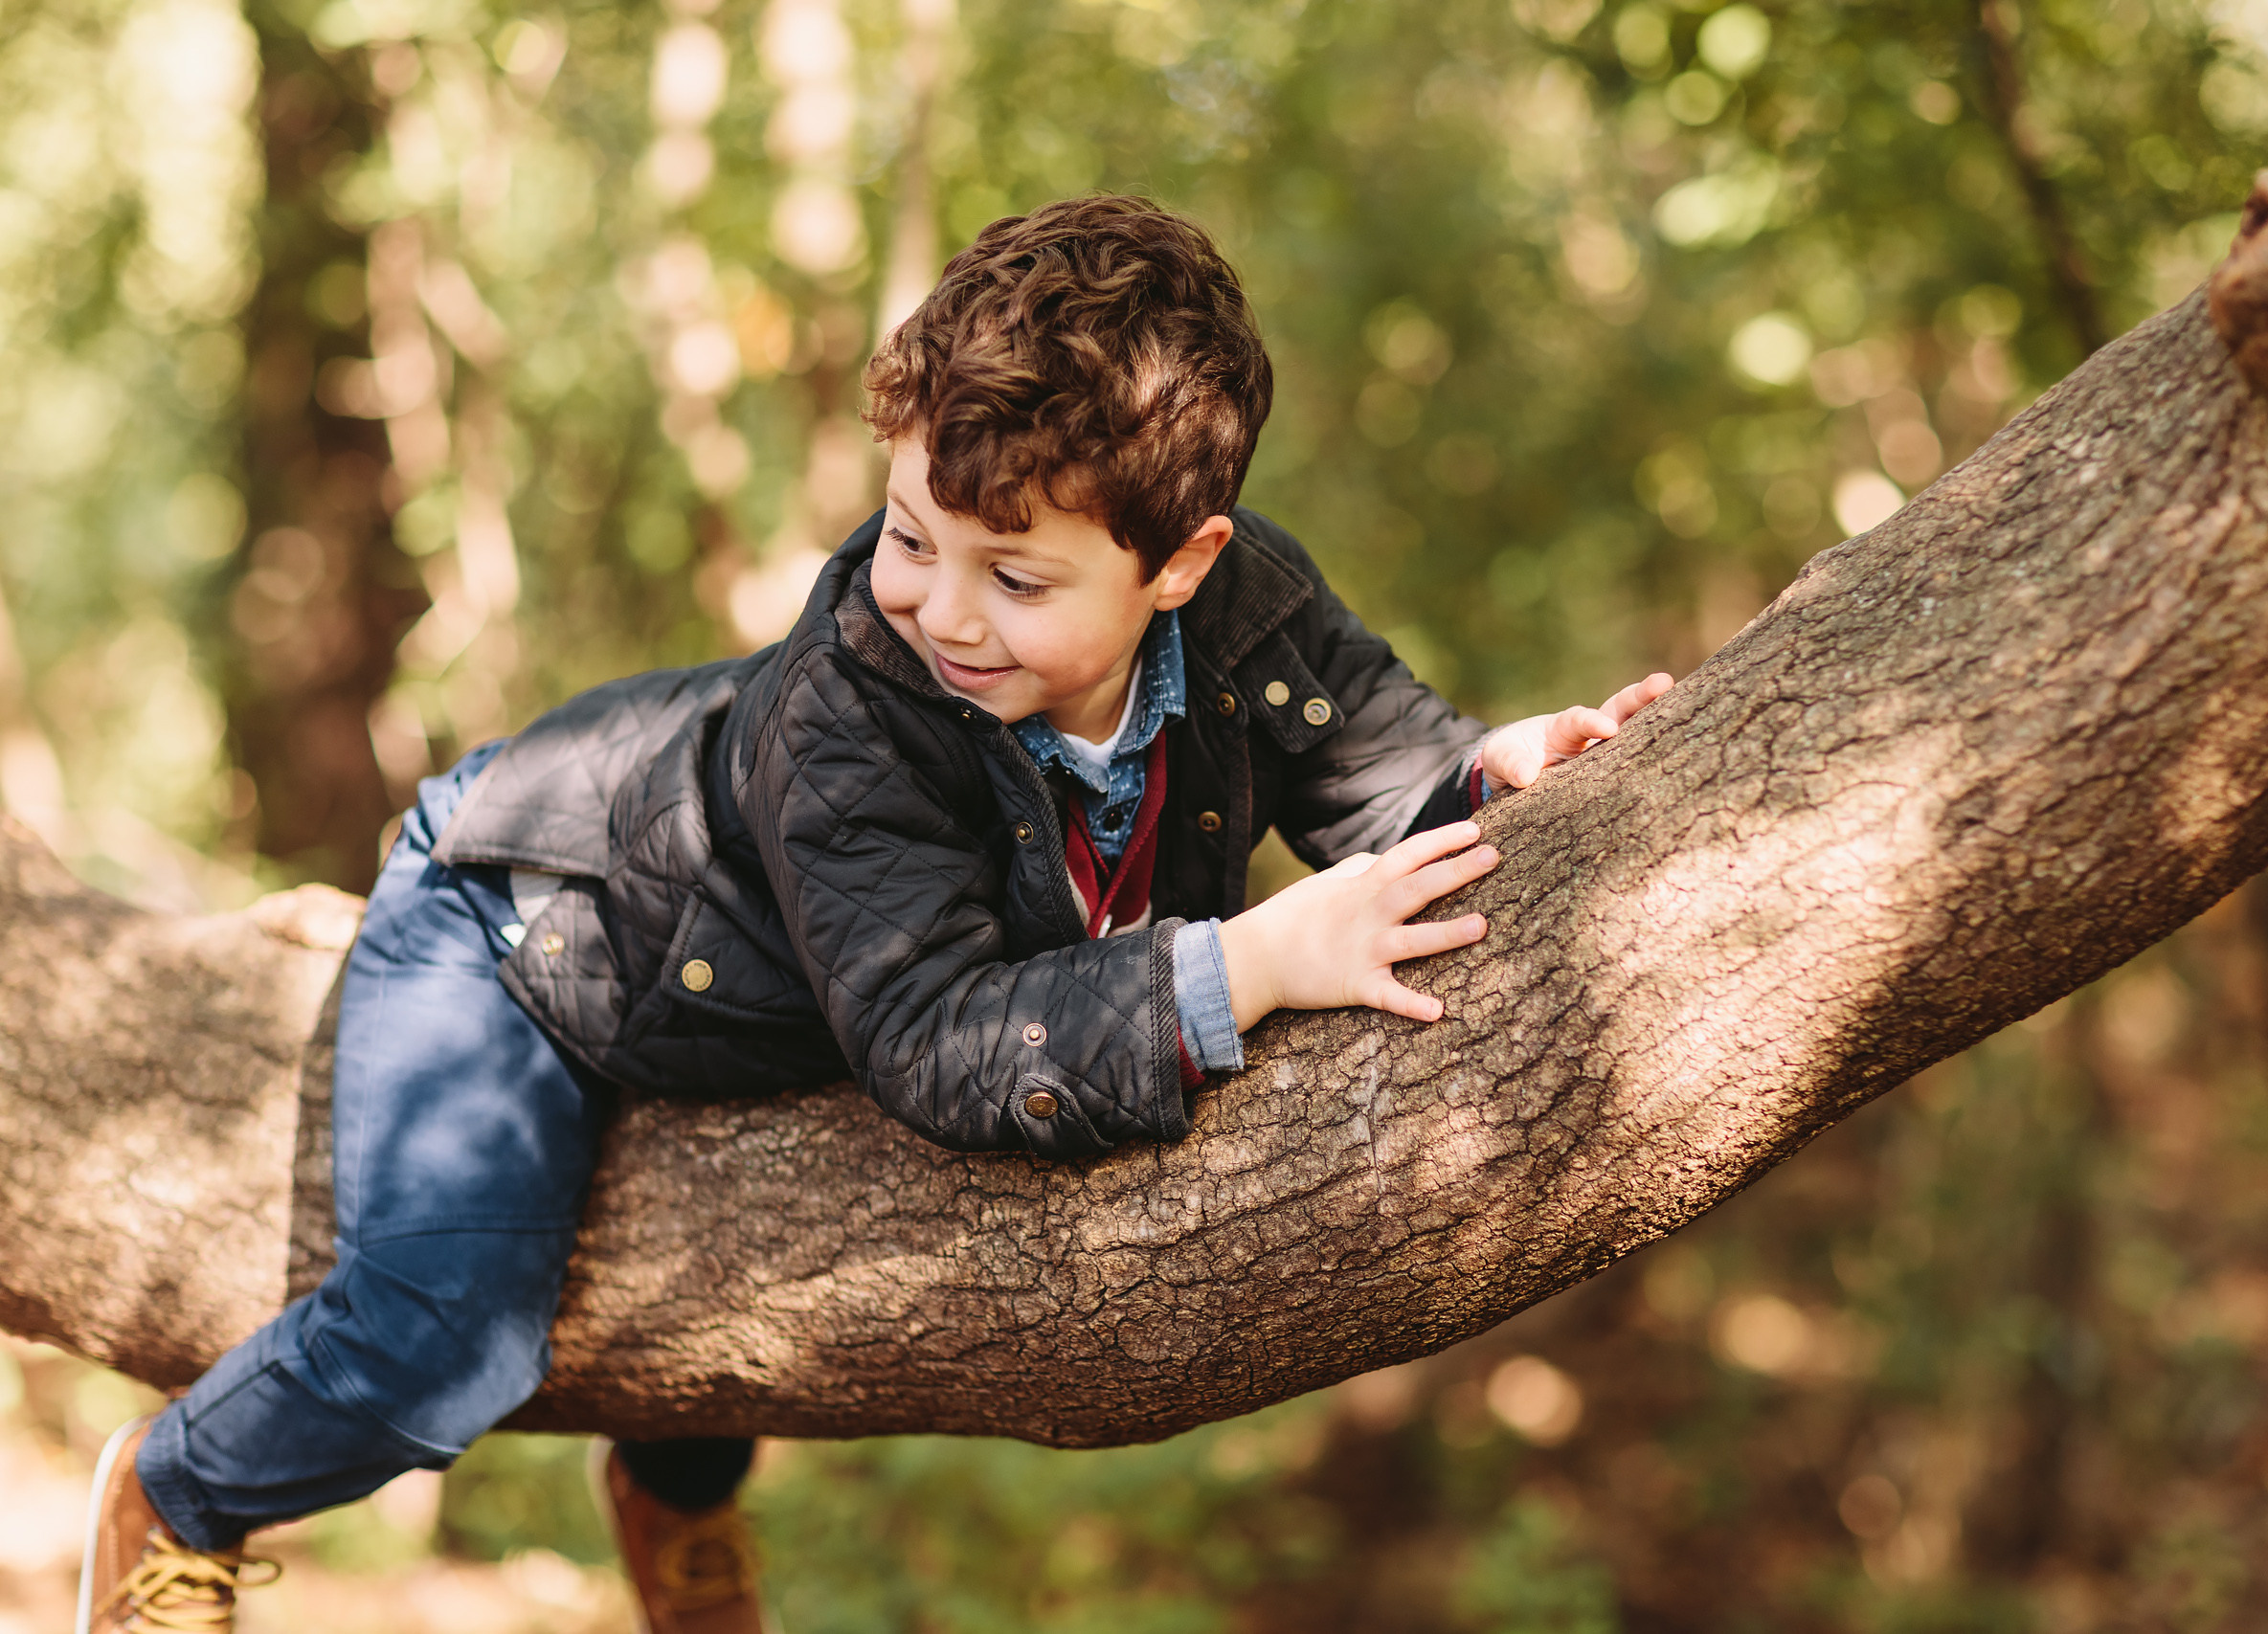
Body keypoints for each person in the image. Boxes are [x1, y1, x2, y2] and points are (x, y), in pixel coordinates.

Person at [77, 194, 1673, 1634]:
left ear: (1178, 565)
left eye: (1017, 578)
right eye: (913, 536)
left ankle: (672, 1501)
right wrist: (1247, 960)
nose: (940, 609)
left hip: (765, 983)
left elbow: (1387, 780)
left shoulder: (1251, 604)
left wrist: (1491, 773)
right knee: (449, 1334)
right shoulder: (851, 704)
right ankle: (182, 1491)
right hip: (528, 923)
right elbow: (928, 1037)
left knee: (723, 1261)